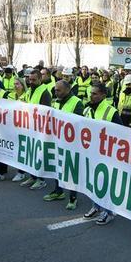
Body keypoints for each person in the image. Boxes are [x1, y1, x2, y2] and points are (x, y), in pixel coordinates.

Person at [82, 83, 122, 225]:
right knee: (93, 181)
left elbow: (120, 133)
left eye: (94, 94)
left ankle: (108, 212)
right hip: (91, 151)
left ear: (103, 95)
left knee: (105, 183)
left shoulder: (111, 111)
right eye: (90, 93)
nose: (91, 96)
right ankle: (96, 206)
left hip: (106, 154)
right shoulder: (87, 109)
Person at [42, 80, 85, 209]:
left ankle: (73, 198)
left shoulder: (77, 102)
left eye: (58, 90)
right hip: (57, 140)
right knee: (57, 166)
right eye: (55, 90)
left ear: (67, 89)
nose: (55, 92)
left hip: (71, 143)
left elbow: (79, 123)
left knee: (71, 170)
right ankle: (58, 191)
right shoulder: (55, 101)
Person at [19, 69, 51, 191]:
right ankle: (32, 176)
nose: (30, 81)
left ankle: (41, 180)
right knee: (31, 154)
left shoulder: (44, 92)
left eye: (33, 79)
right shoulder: (30, 90)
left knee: (39, 155)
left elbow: (45, 112)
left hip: (39, 129)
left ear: (39, 79)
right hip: (29, 127)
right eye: (29, 79)